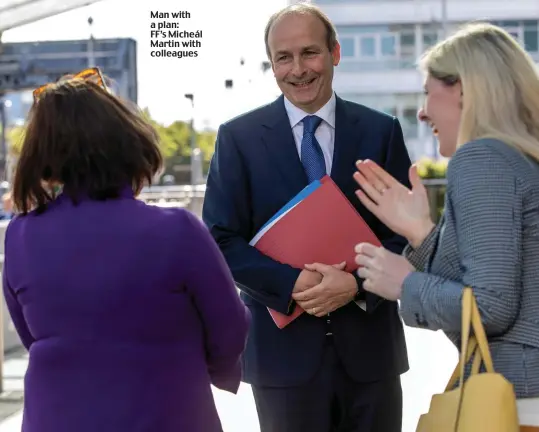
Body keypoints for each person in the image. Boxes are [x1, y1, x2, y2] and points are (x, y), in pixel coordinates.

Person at [3, 69, 250, 432]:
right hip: (169, 414)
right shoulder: (177, 231)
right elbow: (230, 329)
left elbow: (32, 336)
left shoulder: (20, 236)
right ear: (127, 142)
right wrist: (202, 369)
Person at [202, 4, 412, 431]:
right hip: (282, 362)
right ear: (272, 64)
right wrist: (294, 285)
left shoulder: (381, 131)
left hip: (371, 357)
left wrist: (354, 286)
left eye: (309, 53)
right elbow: (221, 240)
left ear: (335, 53)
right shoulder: (237, 139)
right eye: (283, 57)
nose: (297, 69)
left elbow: (405, 234)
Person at [353, 23, 539, 429]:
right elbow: (501, 287)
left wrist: (404, 283)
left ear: (462, 89)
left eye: (427, 92)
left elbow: (490, 309)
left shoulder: (482, 160)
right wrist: (421, 232)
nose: (422, 112)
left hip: (519, 406)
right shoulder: (521, 160)